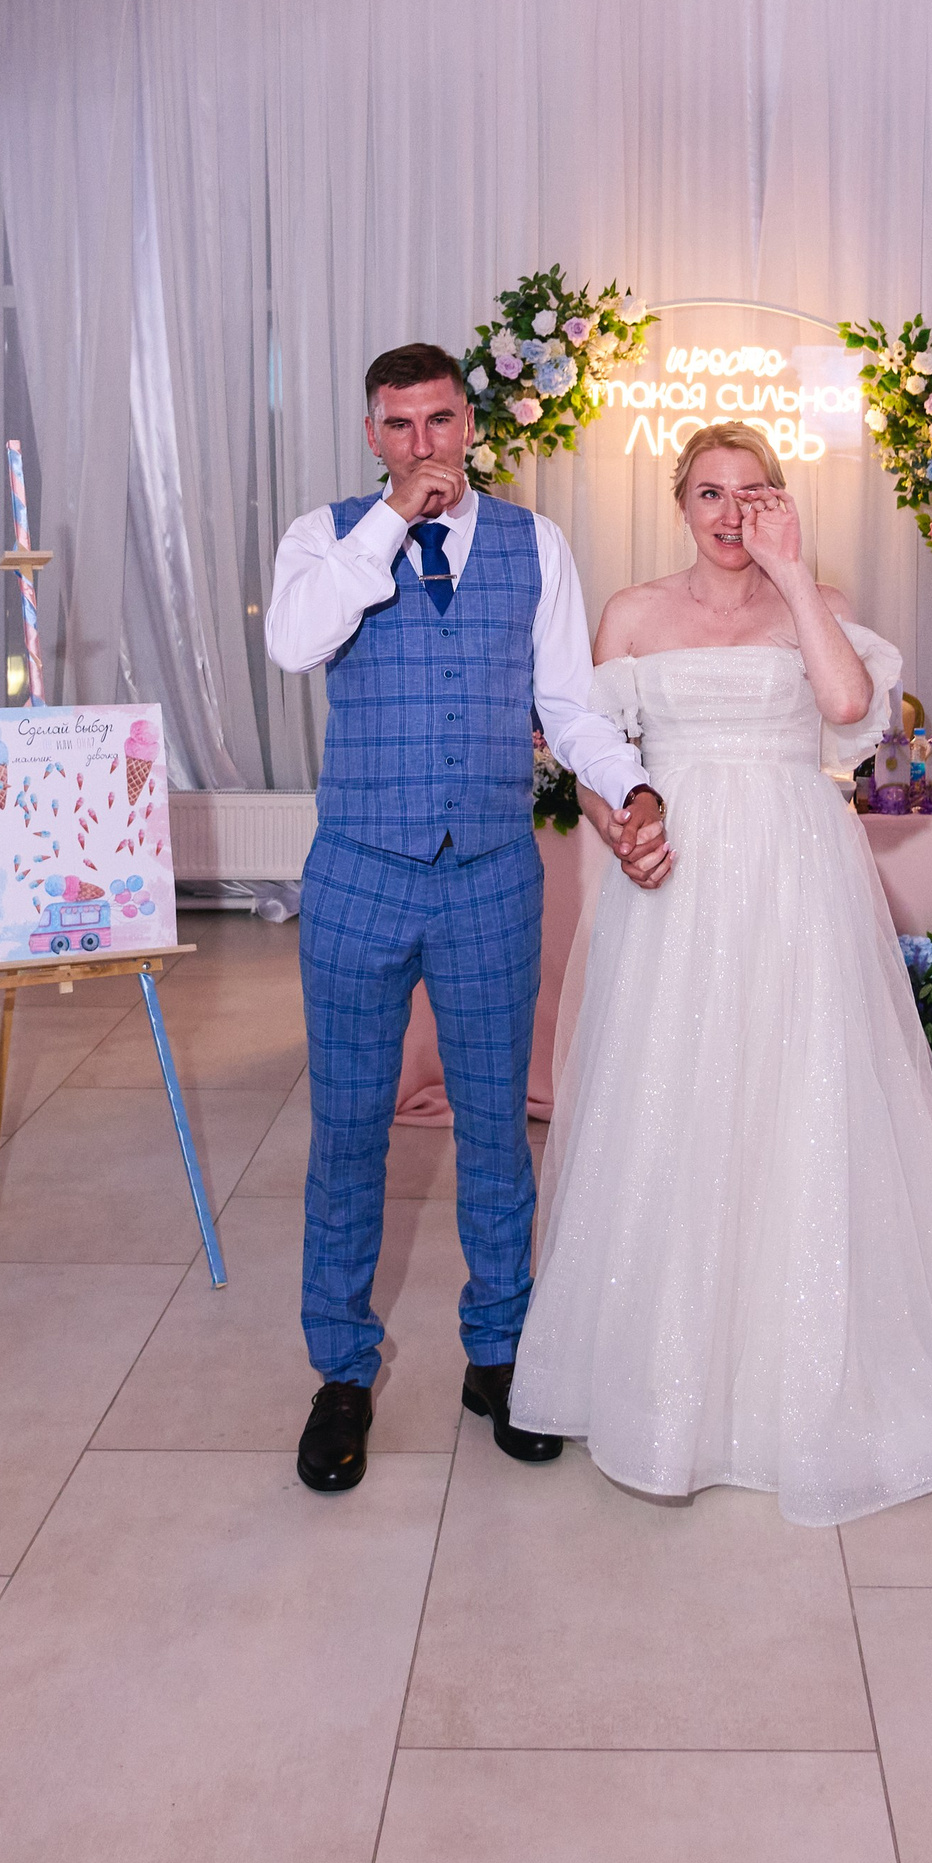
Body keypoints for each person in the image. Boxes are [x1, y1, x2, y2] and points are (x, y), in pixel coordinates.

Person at [511, 421, 932, 1528]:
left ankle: (802, 1358)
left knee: (800, 1090)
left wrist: (792, 575)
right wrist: (619, 827)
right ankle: (664, 1367)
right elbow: (596, 754)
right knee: (676, 1092)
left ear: (778, 502)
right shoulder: (632, 612)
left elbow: (845, 712)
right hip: (673, 880)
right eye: (708, 493)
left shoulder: (813, 600)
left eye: (751, 492)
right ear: (679, 504)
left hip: (793, 870)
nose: (729, 513)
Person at [264, 342, 670, 1495]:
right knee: (350, 1131)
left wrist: (631, 783)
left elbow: (568, 706)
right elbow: (294, 642)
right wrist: (393, 521)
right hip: (359, 869)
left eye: (439, 421)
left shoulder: (535, 545)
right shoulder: (324, 536)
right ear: (372, 434)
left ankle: (501, 1354)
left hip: (491, 873)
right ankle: (342, 1373)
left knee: (496, 1127)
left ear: (470, 424)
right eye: (398, 425)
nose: (422, 444)